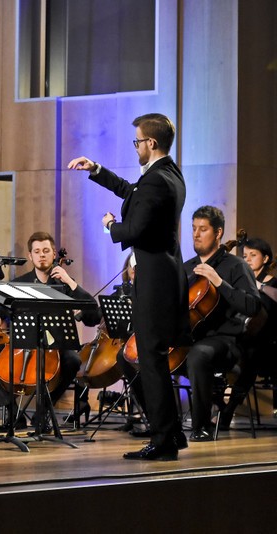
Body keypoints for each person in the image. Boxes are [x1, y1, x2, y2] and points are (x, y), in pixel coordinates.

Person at [68, 112, 190, 461]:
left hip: (155, 282)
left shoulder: (156, 180)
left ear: (150, 143)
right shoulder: (168, 172)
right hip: (163, 277)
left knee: (150, 360)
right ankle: (173, 433)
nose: (135, 146)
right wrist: (97, 169)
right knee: (154, 360)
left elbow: (134, 229)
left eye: (137, 141)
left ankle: (164, 440)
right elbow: (133, 192)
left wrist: (110, 226)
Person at [0, 231, 100, 430]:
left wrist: (70, 282)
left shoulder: (63, 283)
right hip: (23, 343)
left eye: (46, 251)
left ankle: (44, 410)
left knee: (73, 361)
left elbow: (93, 316)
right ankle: (12, 412)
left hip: (57, 345)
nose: (42, 255)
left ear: (54, 254)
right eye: (37, 251)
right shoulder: (21, 282)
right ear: (31, 256)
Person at [177, 206, 260, 440]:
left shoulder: (236, 266)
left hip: (225, 343)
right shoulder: (186, 267)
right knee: (135, 354)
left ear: (218, 232)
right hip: (190, 338)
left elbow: (253, 306)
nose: (196, 234)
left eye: (203, 229)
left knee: (198, 355)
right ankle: (163, 423)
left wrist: (219, 282)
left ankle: (200, 427)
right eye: (194, 228)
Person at [219, 237, 277, 426]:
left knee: (253, 355)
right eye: (245, 256)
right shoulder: (240, 282)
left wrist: (258, 286)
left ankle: (229, 410)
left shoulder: (273, 283)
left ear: (266, 259)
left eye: (253, 255)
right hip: (241, 340)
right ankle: (220, 405)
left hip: (268, 346)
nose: (248, 259)